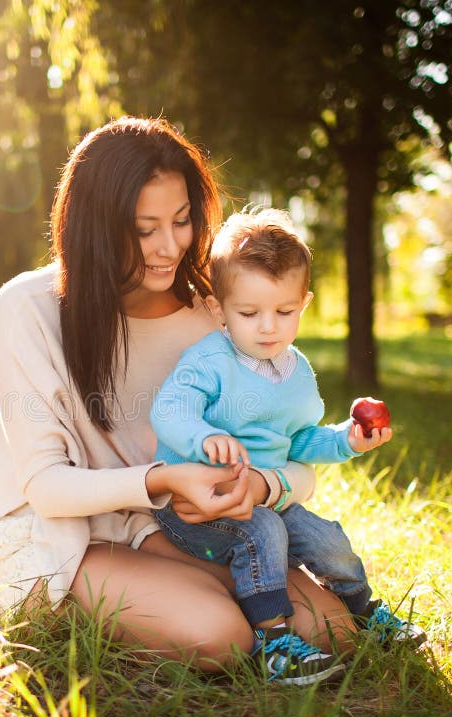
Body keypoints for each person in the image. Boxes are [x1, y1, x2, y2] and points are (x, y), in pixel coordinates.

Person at [0, 116, 358, 673]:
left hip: (162, 525)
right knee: (220, 636)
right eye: (144, 228)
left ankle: (180, 588)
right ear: (96, 226)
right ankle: (142, 602)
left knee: (331, 629)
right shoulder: (28, 307)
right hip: (54, 531)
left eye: (181, 221)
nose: (169, 246)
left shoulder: (214, 317)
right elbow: (47, 488)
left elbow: (292, 457)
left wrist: (261, 485)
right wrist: (165, 479)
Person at [150, 208, 426, 683]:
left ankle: (365, 611)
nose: (267, 328)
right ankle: (274, 641)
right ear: (218, 309)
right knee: (264, 533)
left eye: (284, 312)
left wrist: (348, 440)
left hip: (267, 499)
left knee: (327, 540)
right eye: (248, 313)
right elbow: (168, 409)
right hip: (197, 508)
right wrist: (204, 436)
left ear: (305, 303)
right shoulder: (209, 360)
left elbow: (299, 440)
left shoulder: (295, 371)